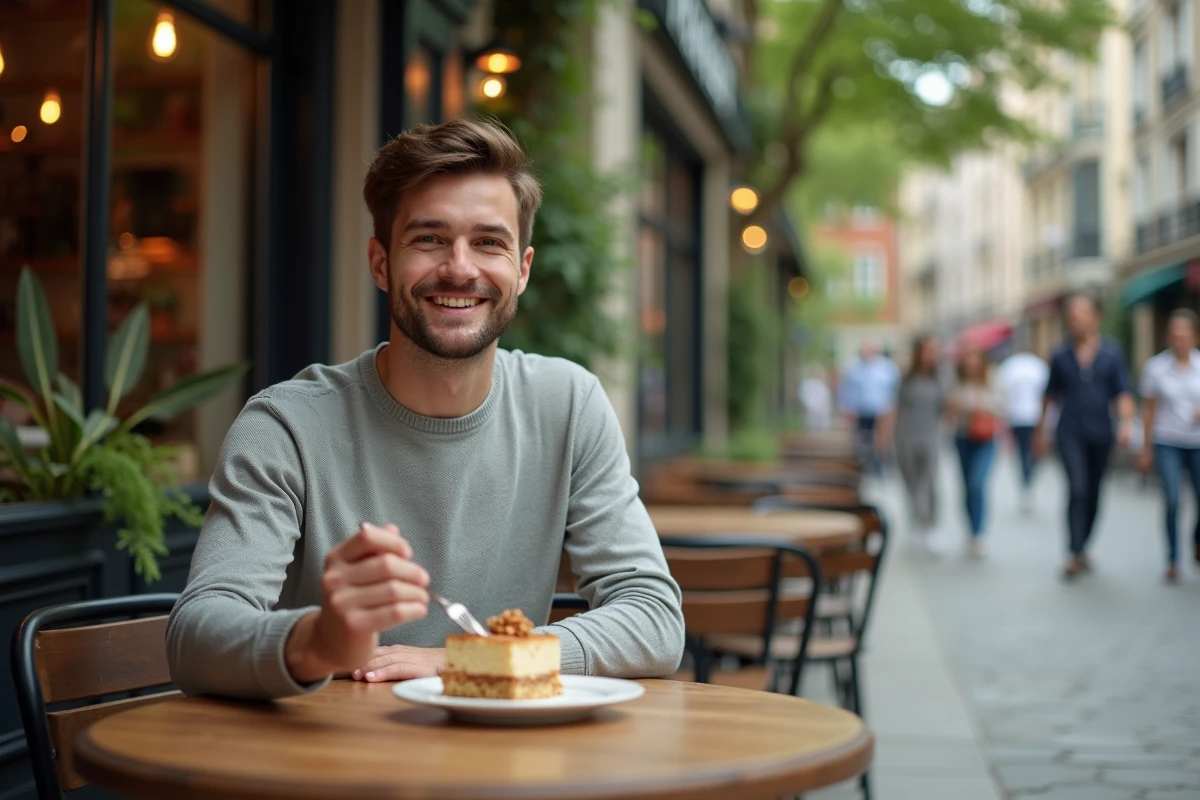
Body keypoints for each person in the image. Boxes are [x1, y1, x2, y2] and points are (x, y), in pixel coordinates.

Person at [166, 119, 685, 699]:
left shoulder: (567, 405)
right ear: (381, 263)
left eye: (489, 242)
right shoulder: (286, 426)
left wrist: (471, 660)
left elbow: (654, 619)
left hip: (505, 768)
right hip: (328, 768)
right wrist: (318, 639)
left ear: (523, 269)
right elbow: (194, 635)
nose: (460, 267)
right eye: (429, 239)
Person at [1035, 294, 1135, 580]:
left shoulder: (1112, 353)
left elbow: (1123, 392)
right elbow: (1049, 395)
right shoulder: (1060, 353)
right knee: (1077, 489)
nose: (1074, 319)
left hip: (1102, 432)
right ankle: (1074, 552)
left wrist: (1127, 424)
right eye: (1071, 314)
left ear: (1095, 318)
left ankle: (1083, 545)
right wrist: (1041, 431)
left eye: (1081, 314)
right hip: (1069, 431)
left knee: (1093, 492)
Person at [1138, 309, 1200, 583]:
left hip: (1197, 442)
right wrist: (1145, 448)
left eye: (1184, 334)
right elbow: (1149, 410)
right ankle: (1173, 558)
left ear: (1194, 337)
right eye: (1175, 335)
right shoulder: (1156, 368)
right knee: (1173, 500)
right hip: (1167, 441)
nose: (1179, 339)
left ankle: (1197, 540)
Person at [946, 346, 1003, 557]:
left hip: (986, 438)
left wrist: (982, 407)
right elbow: (948, 408)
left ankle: (979, 533)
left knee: (977, 483)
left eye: (975, 358)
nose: (971, 364)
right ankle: (971, 530)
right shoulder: (956, 382)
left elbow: (1003, 406)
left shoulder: (993, 379)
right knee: (967, 486)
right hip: (963, 437)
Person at [891, 335, 945, 552]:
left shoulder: (940, 378)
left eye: (934, 350)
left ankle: (931, 526)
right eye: (927, 350)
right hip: (906, 436)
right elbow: (894, 407)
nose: (931, 355)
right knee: (911, 482)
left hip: (930, 435)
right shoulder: (906, 379)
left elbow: (946, 406)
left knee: (930, 483)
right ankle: (916, 524)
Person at [996, 341, 1050, 511]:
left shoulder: (1009, 366)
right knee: (1031, 452)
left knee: (1023, 452)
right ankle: (1027, 480)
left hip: (1018, 416)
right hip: (1032, 417)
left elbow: (1001, 393)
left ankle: (1026, 480)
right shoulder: (1039, 366)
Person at [838, 343, 900, 475]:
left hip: (881, 411)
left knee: (880, 439)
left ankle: (879, 464)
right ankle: (866, 464)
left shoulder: (887, 368)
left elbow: (894, 390)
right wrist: (847, 408)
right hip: (861, 411)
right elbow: (846, 390)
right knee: (863, 439)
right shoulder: (854, 368)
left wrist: (892, 410)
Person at [799, 364, 833, 431]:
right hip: (810, 410)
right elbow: (804, 396)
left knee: (821, 427)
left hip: (821, 411)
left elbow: (825, 398)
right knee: (811, 427)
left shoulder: (822, 385)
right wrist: (811, 405)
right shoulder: (806, 384)